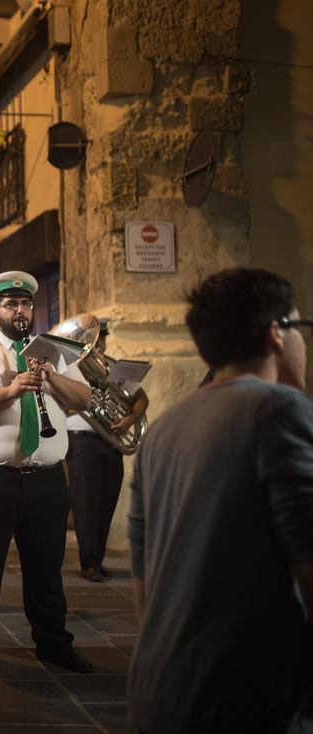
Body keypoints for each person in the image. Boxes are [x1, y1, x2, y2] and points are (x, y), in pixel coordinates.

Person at [127, 268, 313, 734]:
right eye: (301, 329)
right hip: (246, 698)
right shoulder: (279, 410)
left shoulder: (164, 429)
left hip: (161, 690)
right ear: (277, 332)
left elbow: (143, 582)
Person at [0, 271, 92, 675]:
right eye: (11, 305)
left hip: (45, 479)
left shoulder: (55, 352)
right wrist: (10, 390)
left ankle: (53, 644)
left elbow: (84, 398)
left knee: (46, 568)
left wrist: (52, 377)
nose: (20, 311)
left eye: (25, 304)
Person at [66, 318, 149, 582]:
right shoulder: (68, 369)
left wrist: (128, 421)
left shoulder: (113, 366)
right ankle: (88, 561)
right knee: (85, 502)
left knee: (107, 500)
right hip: (81, 439)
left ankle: (97, 558)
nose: (98, 343)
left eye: (101, 338)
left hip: (110, 440)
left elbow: (141, 399)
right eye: (93, 337)